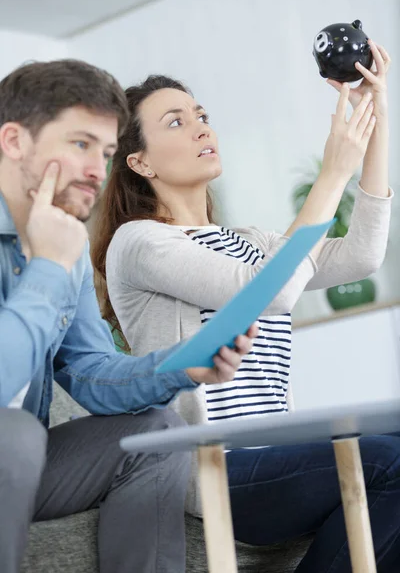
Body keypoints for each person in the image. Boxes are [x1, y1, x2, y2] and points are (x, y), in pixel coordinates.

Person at [93, 40, 400, 572]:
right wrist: (331, 173)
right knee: (388, 459)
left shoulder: (252, 240)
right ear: (139, 160)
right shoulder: (139, 243)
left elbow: (362, 256)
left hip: (276, 451)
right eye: (175, 122)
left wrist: (374, 118)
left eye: (202, 115)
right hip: (217, 467)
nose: (202, 128)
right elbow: (269, 290)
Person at [0, 59, 257, 573]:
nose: (98, 168)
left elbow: (92, 371)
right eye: (80, 144)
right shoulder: (58, 250)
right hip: (13, 446)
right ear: (13, 142)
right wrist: (48, 266)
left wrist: (184, 365)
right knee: (18, 435)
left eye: (108, 151)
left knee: (155, 433)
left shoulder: (61, 239)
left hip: (22, 463)